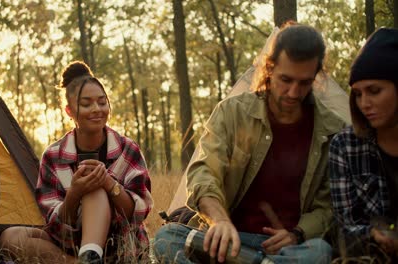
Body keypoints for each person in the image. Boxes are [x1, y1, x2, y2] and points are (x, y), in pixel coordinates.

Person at [153, 23, 347, 264]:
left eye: (304, 83)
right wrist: (220, 222)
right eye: (285, 80)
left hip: (286, 250)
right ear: (269, 68)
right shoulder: (232, 112)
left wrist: (297, 234)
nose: (294, 92)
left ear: (316, 76)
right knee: (166, 238)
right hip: (227, 241)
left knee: (319, 252)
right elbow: (204, 173)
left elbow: (329, 206)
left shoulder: (332, 130)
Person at [0, 61, 153, 264]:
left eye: (102, 101)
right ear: (69, 111)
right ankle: (82, 262)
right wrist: (74, 194)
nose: (97, 109)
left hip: (120, 245)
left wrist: (109, 184)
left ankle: (90, 255)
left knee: (95, 189)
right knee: (10, 237)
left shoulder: (127, 149)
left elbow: (138, 214)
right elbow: (54, 224)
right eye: (86, 104)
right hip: (70, 245)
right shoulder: (53, 156)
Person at [329, 28, 398, 259]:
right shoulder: (345, 146)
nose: (364, 103)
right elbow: (344, 230)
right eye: (357, 94)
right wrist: (372, 235)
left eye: (374, 91)